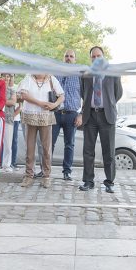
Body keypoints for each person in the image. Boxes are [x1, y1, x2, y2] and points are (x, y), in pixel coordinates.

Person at [77, 46, 123, 193]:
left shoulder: (113, 73)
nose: (96, 59)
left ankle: (109, 182)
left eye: (98, 56)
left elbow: (117, 93)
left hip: (107, 115)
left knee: (108, 151)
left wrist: (107, 104)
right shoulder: (85, 74)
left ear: (103, 57)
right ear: (90, 58)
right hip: (90, 115)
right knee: (88, 151)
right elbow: (83, 92)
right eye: (93, 57)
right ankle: (88, 181)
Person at [15, 72, 63, 187]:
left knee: (46, 148)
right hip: (30, 116)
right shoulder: (28, 77)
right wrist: (41, 103)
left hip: (46, 117)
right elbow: (24, 95)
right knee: (29, 148)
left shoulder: (52, 78)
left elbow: (62, 95)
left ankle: (46, 176)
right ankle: (28, 176)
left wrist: (54, 104)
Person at [52, 50, 82, 181]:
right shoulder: (55, 74)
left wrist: (81, 115)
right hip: (55, 113)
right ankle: (45, 169)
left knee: (69, 144)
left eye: (71, 56)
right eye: (66, 56)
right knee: (49, 143)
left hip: (72, 115)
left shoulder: (80, 75)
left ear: (75, 59)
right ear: (63, 58)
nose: (68, 58)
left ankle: (67, 171)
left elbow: (86, 96)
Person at [0, 73, 17, 170]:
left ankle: (6, 165)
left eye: (8, 76)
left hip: (8, 119)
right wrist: (6, 101)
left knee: (8, 143)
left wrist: (0, 101)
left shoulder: (12, 90)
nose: (6, 78)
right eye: (4, 76)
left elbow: (13, 102)